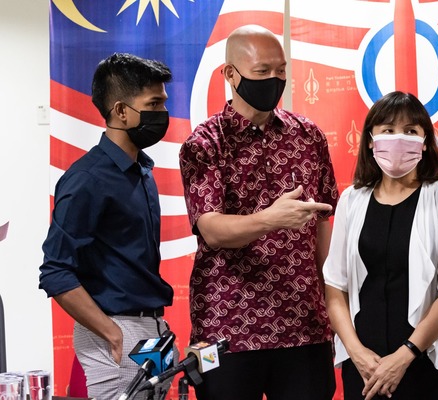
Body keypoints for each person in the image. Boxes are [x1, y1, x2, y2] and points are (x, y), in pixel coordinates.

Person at [179, 25, 339, 400]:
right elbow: (212, 229)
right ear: (230, 74)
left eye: (281, 70)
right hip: (227, 328)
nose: (274, 79)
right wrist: (271, 219)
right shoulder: (205, 143)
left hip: (304, 325)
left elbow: (322, 227)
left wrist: (333, 302)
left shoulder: (308, 135)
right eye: (262, 71)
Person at [39, 53, 177, 400]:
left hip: (152, 329)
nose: (163, 113)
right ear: (120, 111)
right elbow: (55, 271)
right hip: (116, 331)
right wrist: (111, 333)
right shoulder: (87, 179)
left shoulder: (142, 171)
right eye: (154, 103)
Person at [324, 91, 438, 400]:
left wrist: (405, 355)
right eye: (388, 130)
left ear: (425, 141)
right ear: (370, 139)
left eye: (410, 131)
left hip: (427, 367)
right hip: (365, 369)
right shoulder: (351, 200)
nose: (398, 139)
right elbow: (335, 288)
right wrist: (356, 352)